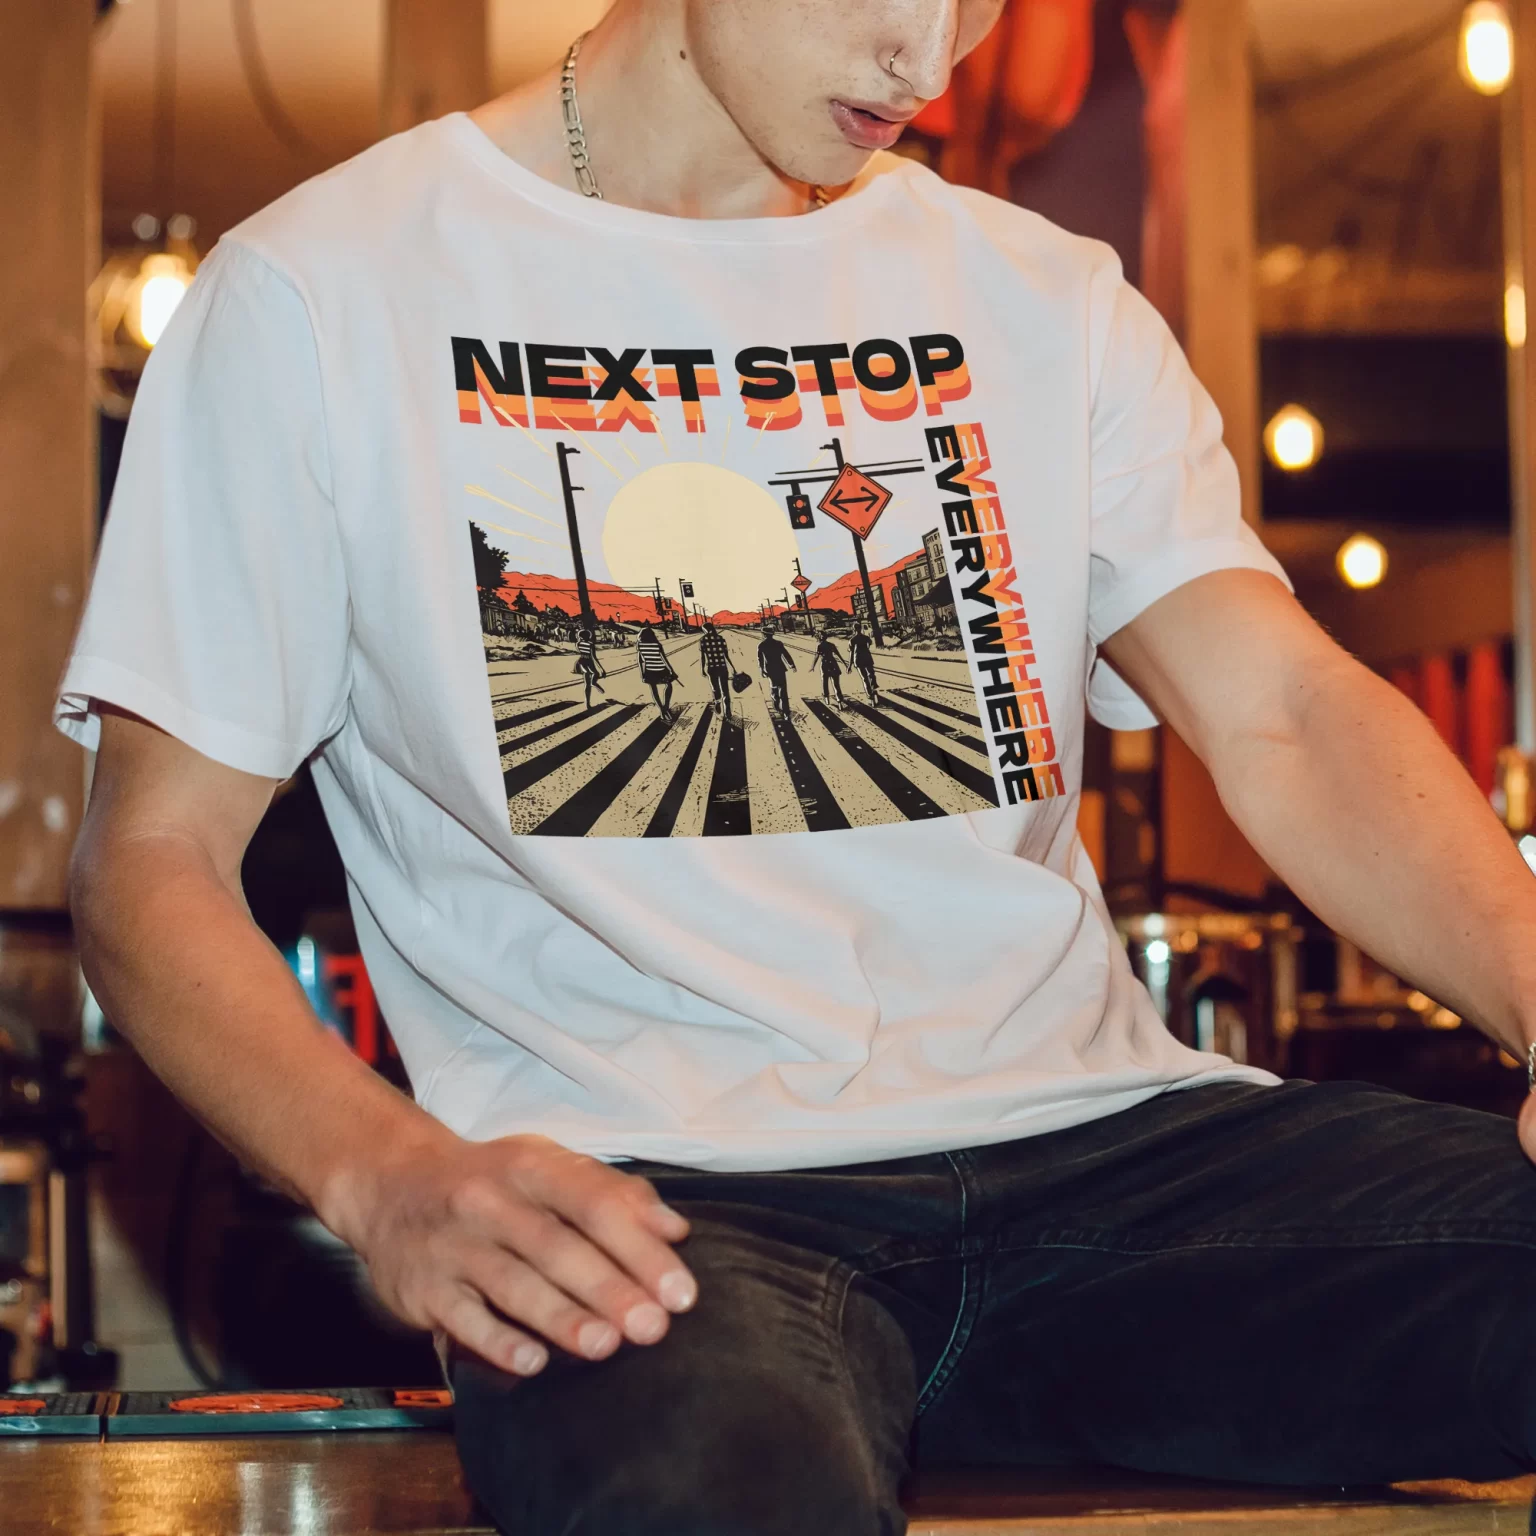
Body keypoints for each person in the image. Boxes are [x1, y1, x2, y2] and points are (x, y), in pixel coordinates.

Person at [56, 1, 1536, 1532]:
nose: (931, 59)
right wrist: (382, 1173)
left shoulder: (1045, 295)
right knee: (726, 1496)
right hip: (656, 1199)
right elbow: (148, 864)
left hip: (1107, 1160)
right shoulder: (322, 291)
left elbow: (1284, 709)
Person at [634, 625, 678, 717]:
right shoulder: (658, 645)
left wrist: (642, 674)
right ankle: (666, 706)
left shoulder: (639, 645)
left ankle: (661, 709)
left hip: (649, 671)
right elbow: (664, 659)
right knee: (668, 685)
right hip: (661, 669)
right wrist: (672, 671)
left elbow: (640, 661)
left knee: (653, 689)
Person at [756, 623, 798, 716]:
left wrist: (762, 670)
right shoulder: (778, 643)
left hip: (770, 670)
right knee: (783, 690)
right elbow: (786, 655)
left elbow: (760, 659)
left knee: (774, 688)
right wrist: (792, 665)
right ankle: (786, 711)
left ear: (764, 634)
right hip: (780, 668)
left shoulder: (761, 645)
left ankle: (777, 707)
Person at [697, 620, 735, 719]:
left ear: (705, 630)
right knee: (725, 690)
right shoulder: (721, 638)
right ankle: (728, 713)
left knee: (715, 688)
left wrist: (702, 669)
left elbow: (703, 657)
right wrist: (733, 668)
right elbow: (726, 655)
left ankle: (717, 702)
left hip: (711, 668)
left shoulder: (703, 640)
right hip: (722, 667)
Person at [572, 624, 607, 710]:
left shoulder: (578, 644)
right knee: (595, 674)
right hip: (589, 662)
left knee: (586, 684)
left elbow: (580, 651)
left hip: (581, 662)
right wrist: (602, 669)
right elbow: (594, 657)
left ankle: (587, 703)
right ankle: (594, 683)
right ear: (589, 636)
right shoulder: (591, 644)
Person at [848, 620, 880, 706]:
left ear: (854, 629)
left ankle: (870, 696)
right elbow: (870, 643)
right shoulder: (866, 638)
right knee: (871, 674)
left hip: (858, 660)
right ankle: (873, 688)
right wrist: (867, 647)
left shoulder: (852, 640)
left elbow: (851, 654)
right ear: (860, 628)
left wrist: (849, 666)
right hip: (867, 658)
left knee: (865, 678)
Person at [814, 632, 849, 708]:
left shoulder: (819, 646)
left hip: (824, 664)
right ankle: (839, 702)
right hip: (833, 664)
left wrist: (813, 666)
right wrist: (845, 664)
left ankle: (827, 699)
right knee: (836, 684)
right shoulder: (831, 645)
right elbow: (838, 654)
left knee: (825, 683)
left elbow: (816, 656)